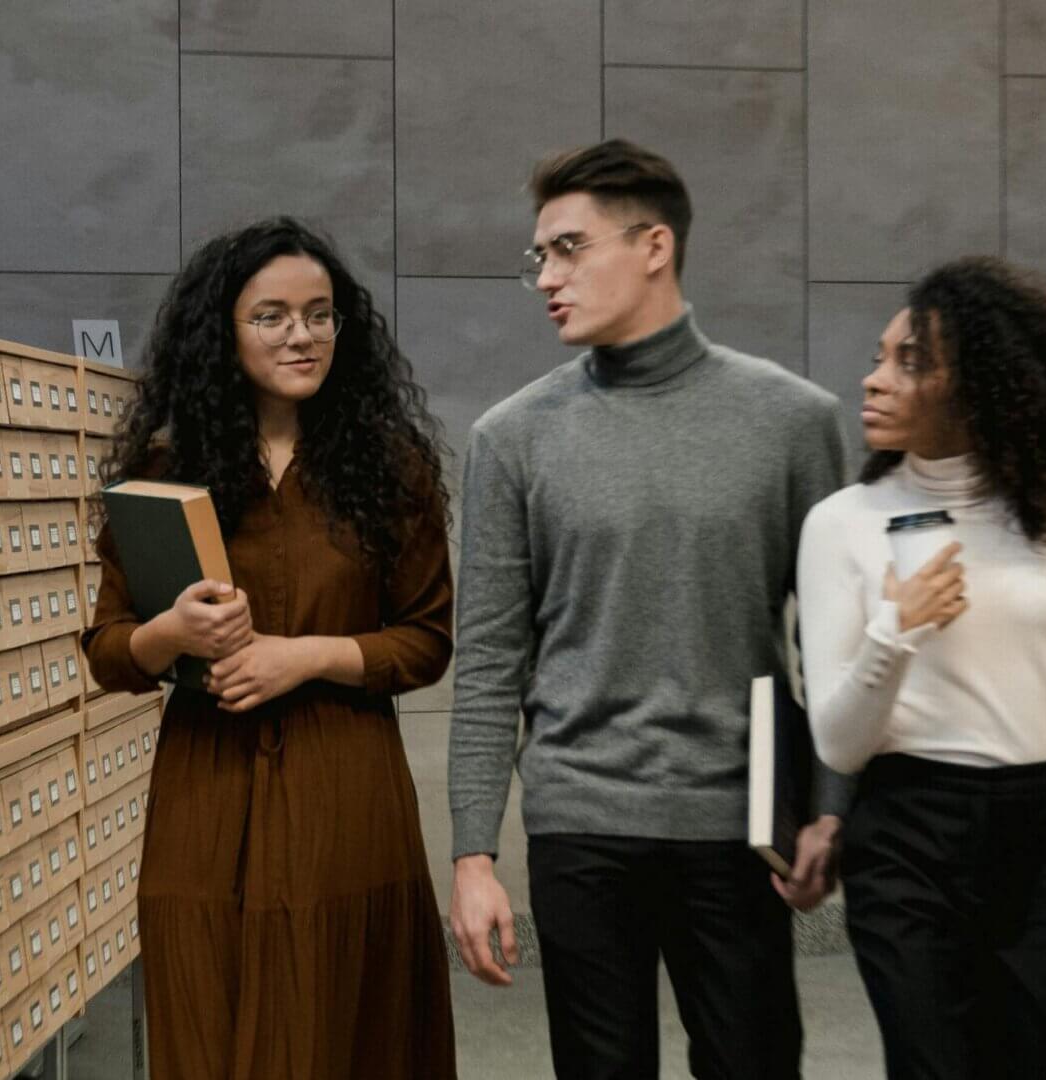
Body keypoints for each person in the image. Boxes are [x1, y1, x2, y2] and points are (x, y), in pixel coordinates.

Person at [447, 139, 854, 1079]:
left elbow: (832, 641)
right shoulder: (511, 438)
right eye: (538, 257)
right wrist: (473, 855)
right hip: (581, 823)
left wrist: (830, 808)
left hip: (737, 825)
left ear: (655, 246)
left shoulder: (792, 420)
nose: (547, 276)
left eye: (569, 248)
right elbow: (490, 661)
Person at [83, 217, 458, 1078]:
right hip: (206, 794)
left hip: (343, 790)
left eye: (322, 315)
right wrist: (172, 633)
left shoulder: (389, 467)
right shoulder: (167, 468)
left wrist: (307, 657)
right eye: (274, 316)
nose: (303, 335)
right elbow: (107, 650)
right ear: (224, 331)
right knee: (206, 1012)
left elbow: (427, 641)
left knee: (340, 1027)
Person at [795, 256, 1046, 1080]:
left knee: (1040, 1064)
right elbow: (840, 744)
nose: (875, 380)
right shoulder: (841, 524)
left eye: (911, 362)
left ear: (984, 388)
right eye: (880, 356)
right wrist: (895, 630)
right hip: (908, 833)